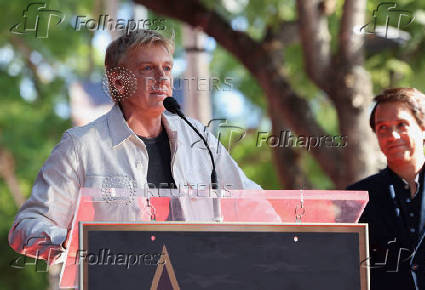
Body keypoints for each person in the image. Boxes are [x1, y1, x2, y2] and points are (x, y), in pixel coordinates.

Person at [9, 30, 261, 264]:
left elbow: (256, 205)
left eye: (167, 68)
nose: (162, 78)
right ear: (119, 83)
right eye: (148, 68)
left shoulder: (199, 138)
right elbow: (26, 225)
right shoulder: (81, 146)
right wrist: (72, 243)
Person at [348, 88, 425, 289]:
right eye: (382, 128)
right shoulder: (358, 199)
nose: (392, 135)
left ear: (423, 128)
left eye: (401, 125)